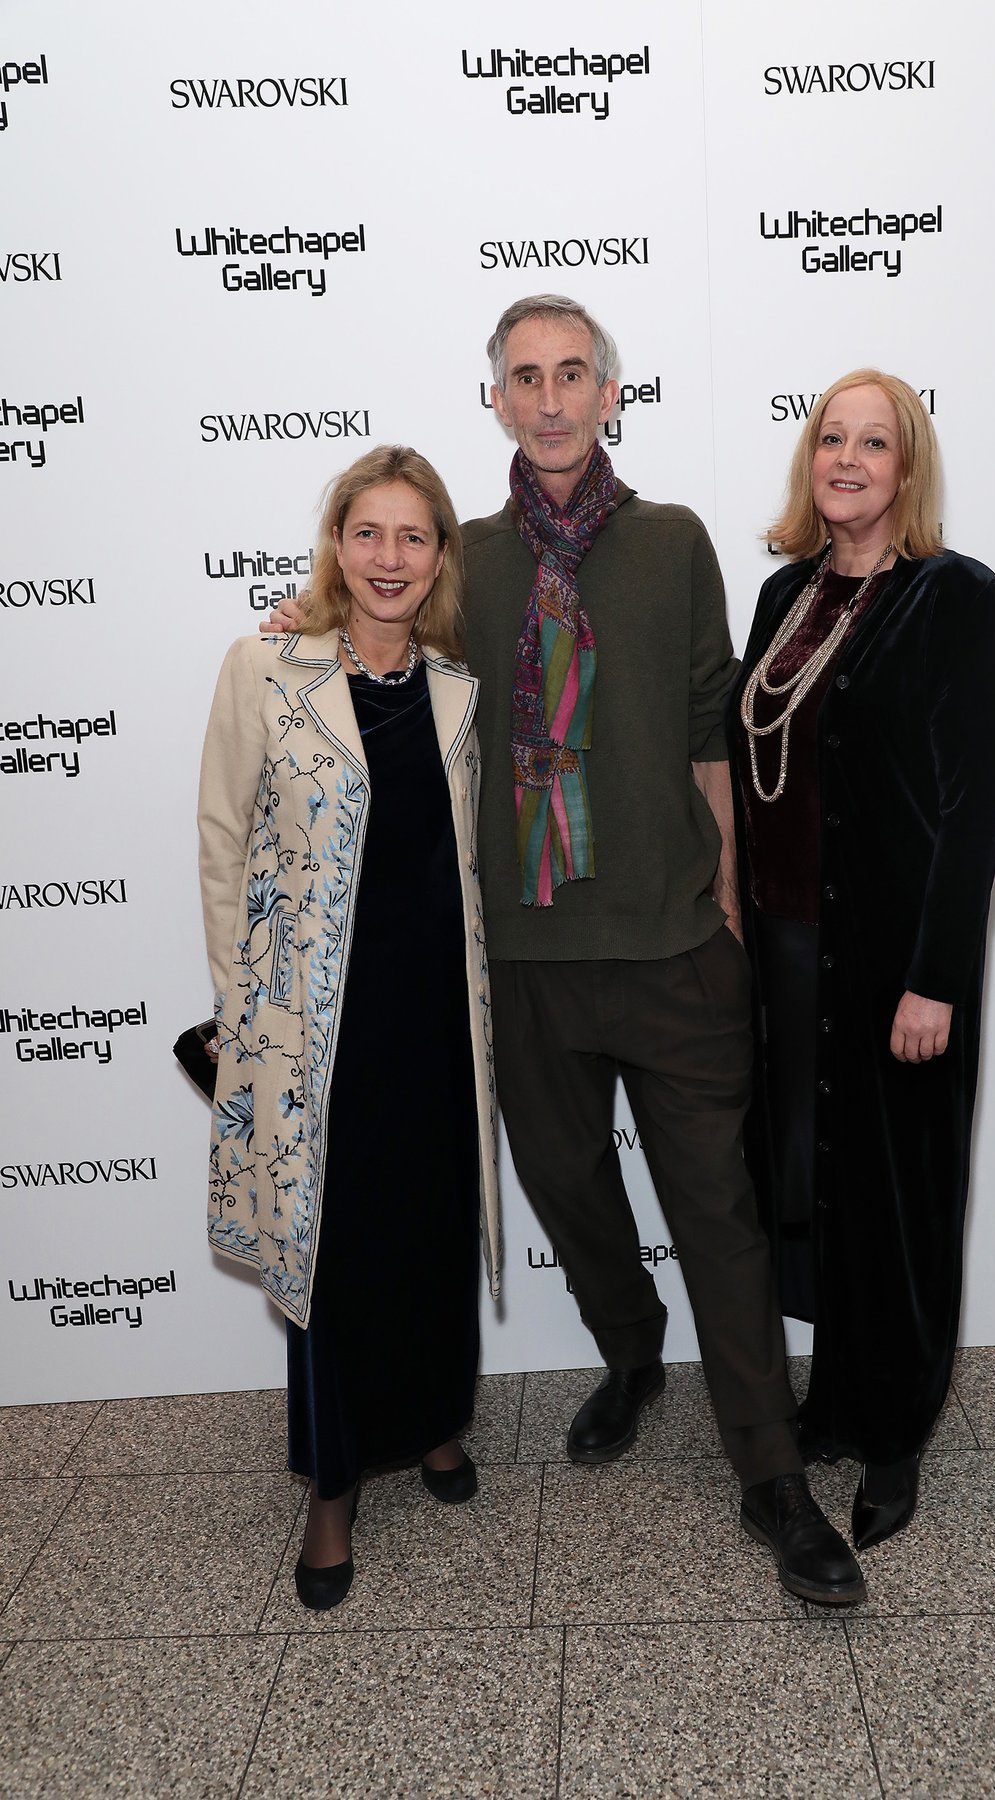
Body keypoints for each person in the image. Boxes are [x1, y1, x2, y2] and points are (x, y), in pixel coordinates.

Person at [266, 296, 865, 1607]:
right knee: (567, 1189)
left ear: (609, 395)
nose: (549, 399)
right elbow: (375, 640)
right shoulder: (460, 561)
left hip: (671, 947)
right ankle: (634, 1350)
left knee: (718, 1216)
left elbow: (710, 731)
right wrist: (294, 629)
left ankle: (772, 1476)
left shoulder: (674, 541)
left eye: (572, 374)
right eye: (525, 377)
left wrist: (725, 903)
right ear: (496, 400)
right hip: (522, 959)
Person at [199, 445, 500, 1611]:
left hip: (435, 1017)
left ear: (439, 557)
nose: (389, 557)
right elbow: (223, 839)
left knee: (430, 1227)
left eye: (413, 536)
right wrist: (241, 1010)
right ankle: (331, 1485)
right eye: (367, 532)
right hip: (315, 1028)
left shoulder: (456, 691)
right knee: (330, 1253)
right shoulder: (266, 668)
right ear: (336, 544)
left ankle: (431, 1421)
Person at [728, 370, 995, 1551]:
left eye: (874, 442)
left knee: (902, 1197)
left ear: (908, 468)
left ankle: (896, 1429)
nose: (847, 459)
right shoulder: (784, 593)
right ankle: (838, 1400)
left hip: (896, 962)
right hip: (789, 952)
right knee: (821, 1182)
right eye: (831, 438)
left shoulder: (956, 597)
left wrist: (936, 977)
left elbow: (973, 801)